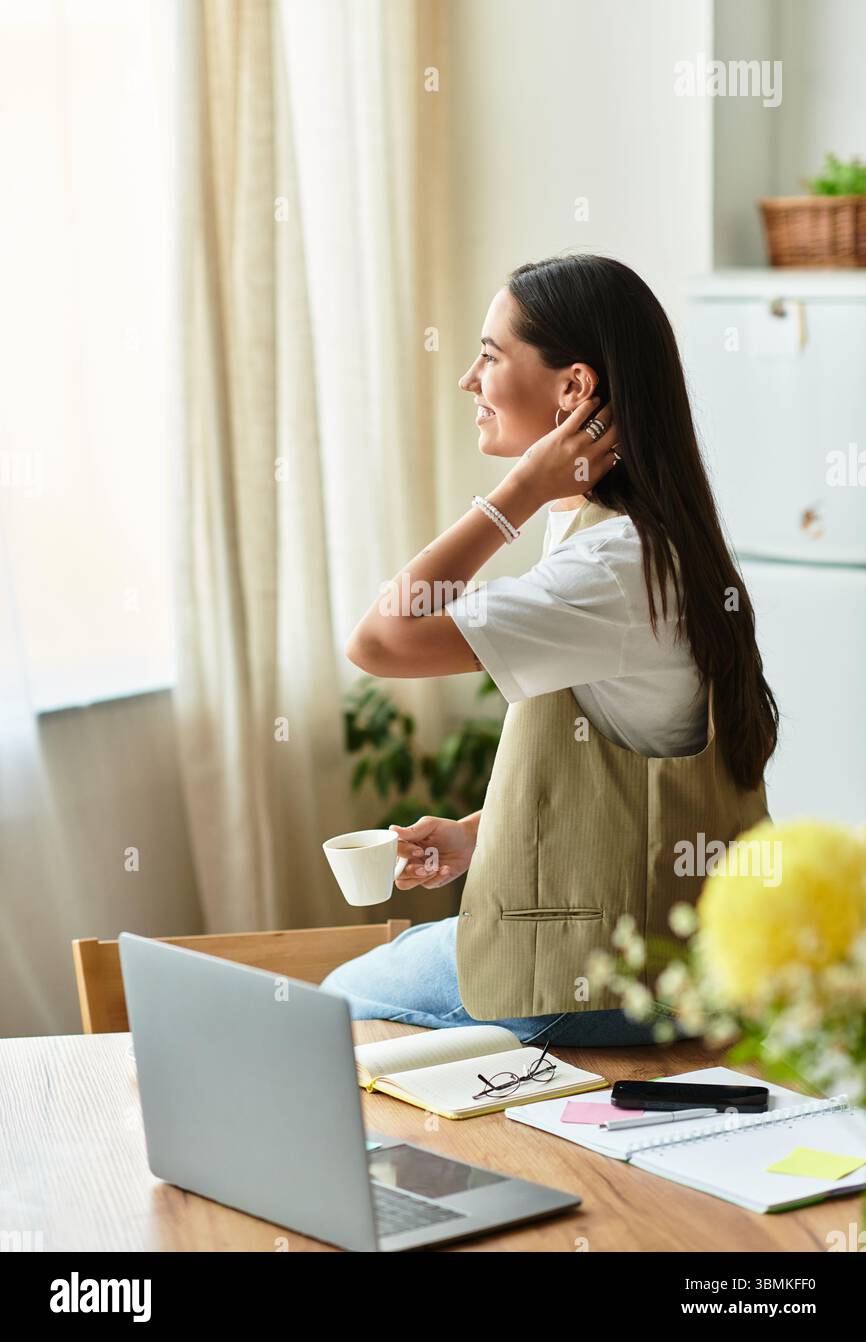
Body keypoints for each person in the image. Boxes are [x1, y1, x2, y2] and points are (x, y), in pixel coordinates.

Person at [321, 254, 777, 1047]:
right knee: (393, 968)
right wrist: (477, 832)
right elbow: (638, 771)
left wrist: (517, 494)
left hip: (604, 977)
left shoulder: (609, 564)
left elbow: (381, 639)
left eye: (491, 356)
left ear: (573, 389)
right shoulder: (645, 542)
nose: (469, 379)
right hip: (684, 962)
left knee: (340, 997)